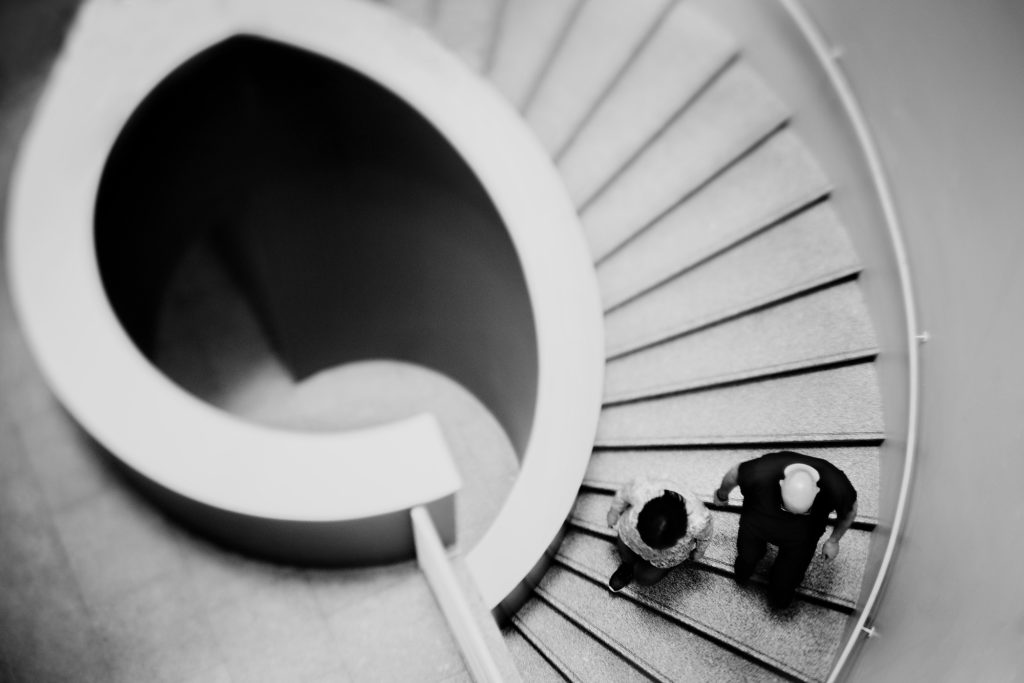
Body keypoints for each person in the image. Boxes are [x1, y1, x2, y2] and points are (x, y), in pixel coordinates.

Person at [714, 450, 858, 608]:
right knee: (747, 556)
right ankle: (744, 570)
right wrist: (722, 495)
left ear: (817, 491)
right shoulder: (763, 470)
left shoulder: (835, 483)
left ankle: (779, 598)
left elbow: (850, 510)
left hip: (802, 538)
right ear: (781, 484)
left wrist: (834, 541)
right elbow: (735, 473)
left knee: (786, 580)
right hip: (756, 525)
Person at [605, 477, 713, 592]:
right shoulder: (642, 492)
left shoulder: (699, 521)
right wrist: (614, 511)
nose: (650, 547)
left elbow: (705, 535)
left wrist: (699, 550)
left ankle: (635, 566)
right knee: (626, 554)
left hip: (665, 556)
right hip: (632, 538)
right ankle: (627, 566)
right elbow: (624, 493)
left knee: (645, 578)